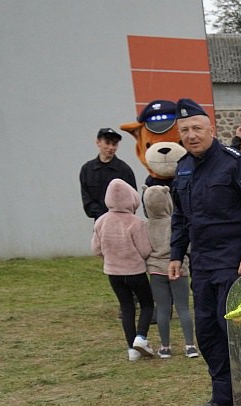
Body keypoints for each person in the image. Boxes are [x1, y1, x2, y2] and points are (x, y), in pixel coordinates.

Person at [168, 98, 241, 406]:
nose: (192, 135)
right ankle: (223, 394)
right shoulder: (183, 168)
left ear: (211, 130)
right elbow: (180, 218)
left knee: (237, 330)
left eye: (197, 128)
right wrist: (175, 253)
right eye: (185, 130)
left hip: (233, 262)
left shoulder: (234, 163)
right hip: (201, 263)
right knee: (208, 331)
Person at [92, 178, 155, 360]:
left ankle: (131, 349)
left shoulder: (101, 222)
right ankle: (141, 337)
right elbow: (144, 249)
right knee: (147, 304)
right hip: (135, 272)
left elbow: (96, 249)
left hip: (113, 273)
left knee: (127, 308)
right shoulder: (136, 223)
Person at [142, 184, 197, 358]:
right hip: (179, 268)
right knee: (184, 309)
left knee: (163, 309)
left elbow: (144, 249)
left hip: (156, 271)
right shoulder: (176, 222)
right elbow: (187, 245)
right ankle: (190, 346)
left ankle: (165, 347)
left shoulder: (145, 226)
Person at [80, 127, 137, 220]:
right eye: (107, 143)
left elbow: (133, 199)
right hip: (99, 222)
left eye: (114, 144)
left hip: (121, 222)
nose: (111, 148)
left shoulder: (124, 170)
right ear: (98, 142)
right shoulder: (87, 170)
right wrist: (102, 217)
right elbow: (87, 200)